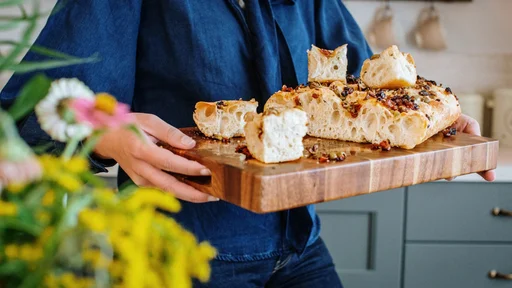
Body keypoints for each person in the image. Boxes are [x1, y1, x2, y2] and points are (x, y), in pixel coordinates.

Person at [0, 0, 495, 287]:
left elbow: (373, 89)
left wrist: (438, 121)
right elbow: (30, 110)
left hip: (301, 248)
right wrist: (106, 134)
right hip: (183, 255)